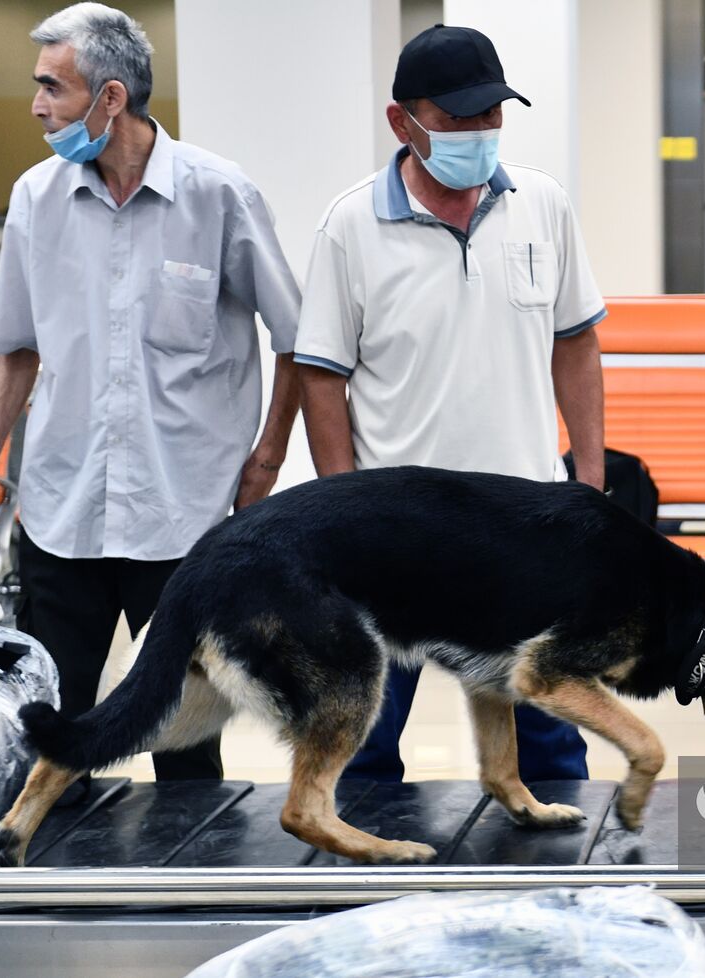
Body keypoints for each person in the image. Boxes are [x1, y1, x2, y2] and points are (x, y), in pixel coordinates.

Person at [0, 2, 302, 779]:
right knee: (49, 736)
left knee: (185, 748)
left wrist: (264, 465)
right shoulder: (35, 198)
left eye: (53, 87)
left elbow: (297, 341)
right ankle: (49, 895)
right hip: (65, 515)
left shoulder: (219, 195)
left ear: (111, 97)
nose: (37, 106)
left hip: (186, 523)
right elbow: (16, 351)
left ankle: (192, 899)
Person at [295, 25, 606, 783]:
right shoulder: (350, 226)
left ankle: (566, 890)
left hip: (523, 528)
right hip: (395, 535)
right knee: (361, 743)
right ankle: (357, 886)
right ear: (403, 122)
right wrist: (343, 510)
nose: (479, 133)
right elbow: (321, 376)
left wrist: (589, 481)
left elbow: (576, 342)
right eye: (457, 118)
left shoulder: (543, 205)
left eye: (491, 115)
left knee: (553, 742)